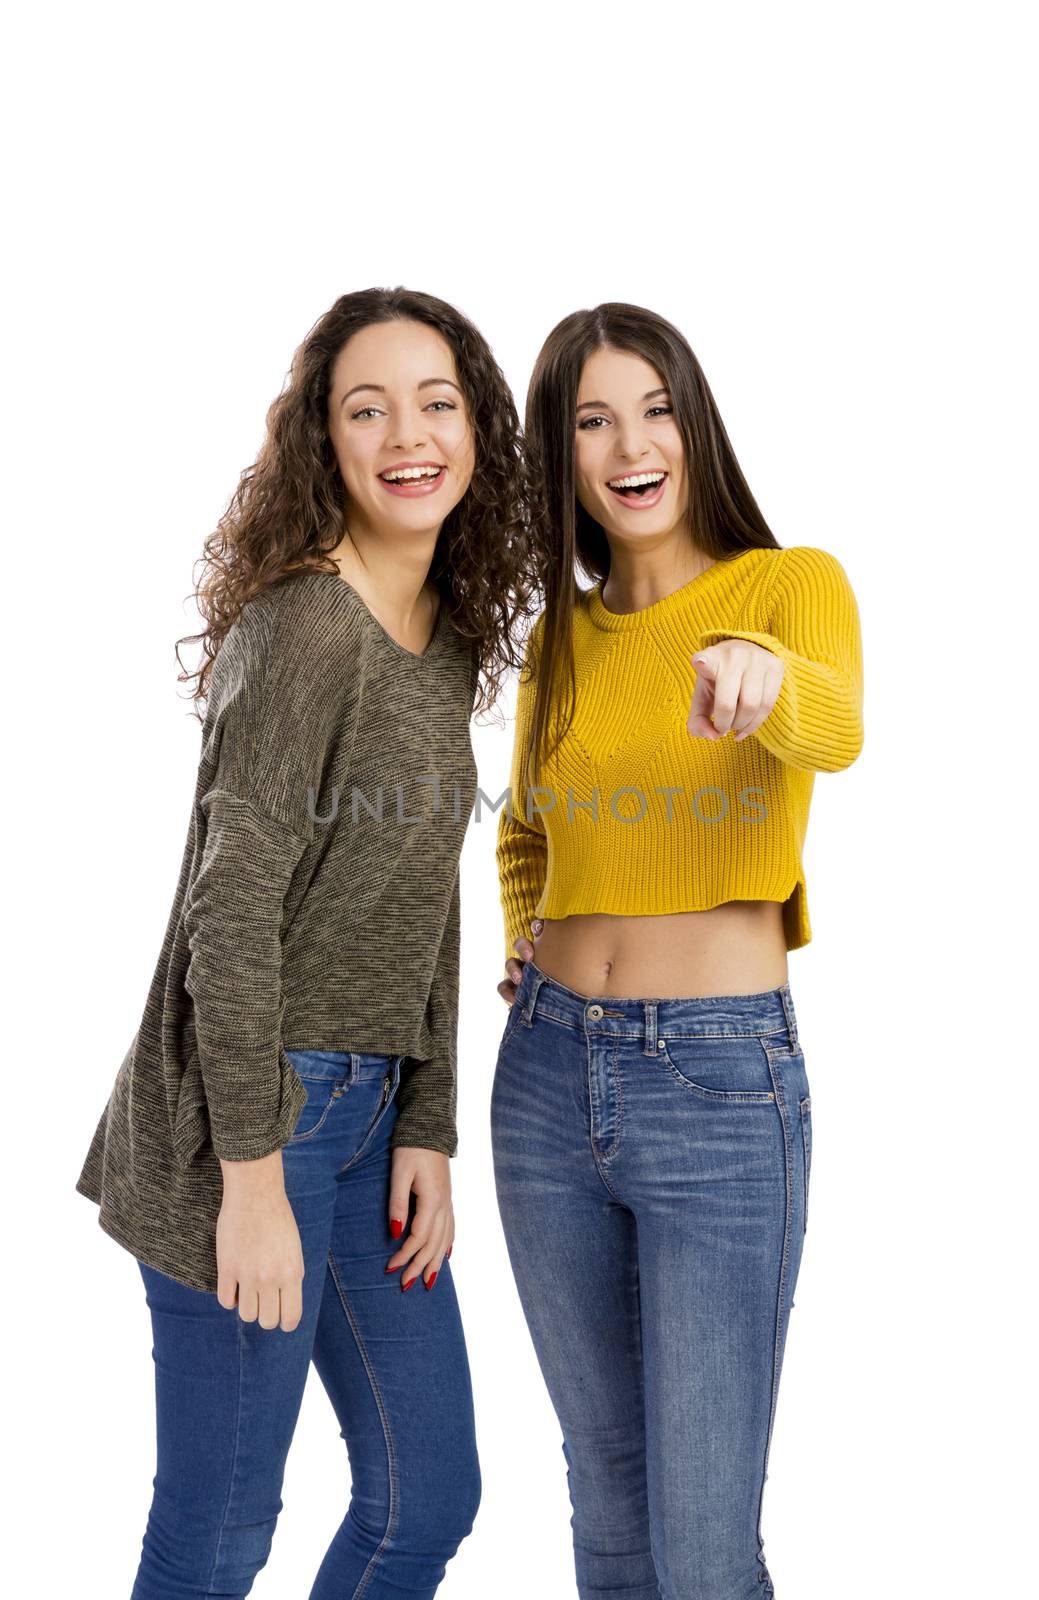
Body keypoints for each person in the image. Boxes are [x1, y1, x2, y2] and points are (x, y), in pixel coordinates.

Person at [75, 286, 533, 1599]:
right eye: (366, 406)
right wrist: (256, 1178)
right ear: (322, 442)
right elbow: (230, 913)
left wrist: (430, 1125)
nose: (408, 434)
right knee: (221, 1528)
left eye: (437, 403)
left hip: (370, 1127)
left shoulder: (441, 644)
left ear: (476, 431)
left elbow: (422, 899)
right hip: (253, 1123)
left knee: (426, 1494)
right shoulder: (298, 630)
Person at [493, 301, 864, 1599]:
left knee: (703, 1547)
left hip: (717, 1087)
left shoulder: (786, 588)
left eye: (654, 408)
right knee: (607, 1508)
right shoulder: (559, 644)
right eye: (592, 420)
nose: (629, 443)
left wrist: (763, 672)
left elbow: (834, 726)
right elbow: (527, 835)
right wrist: (518, 943)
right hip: (542, 1086)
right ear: (563, 457)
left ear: (694, 424)